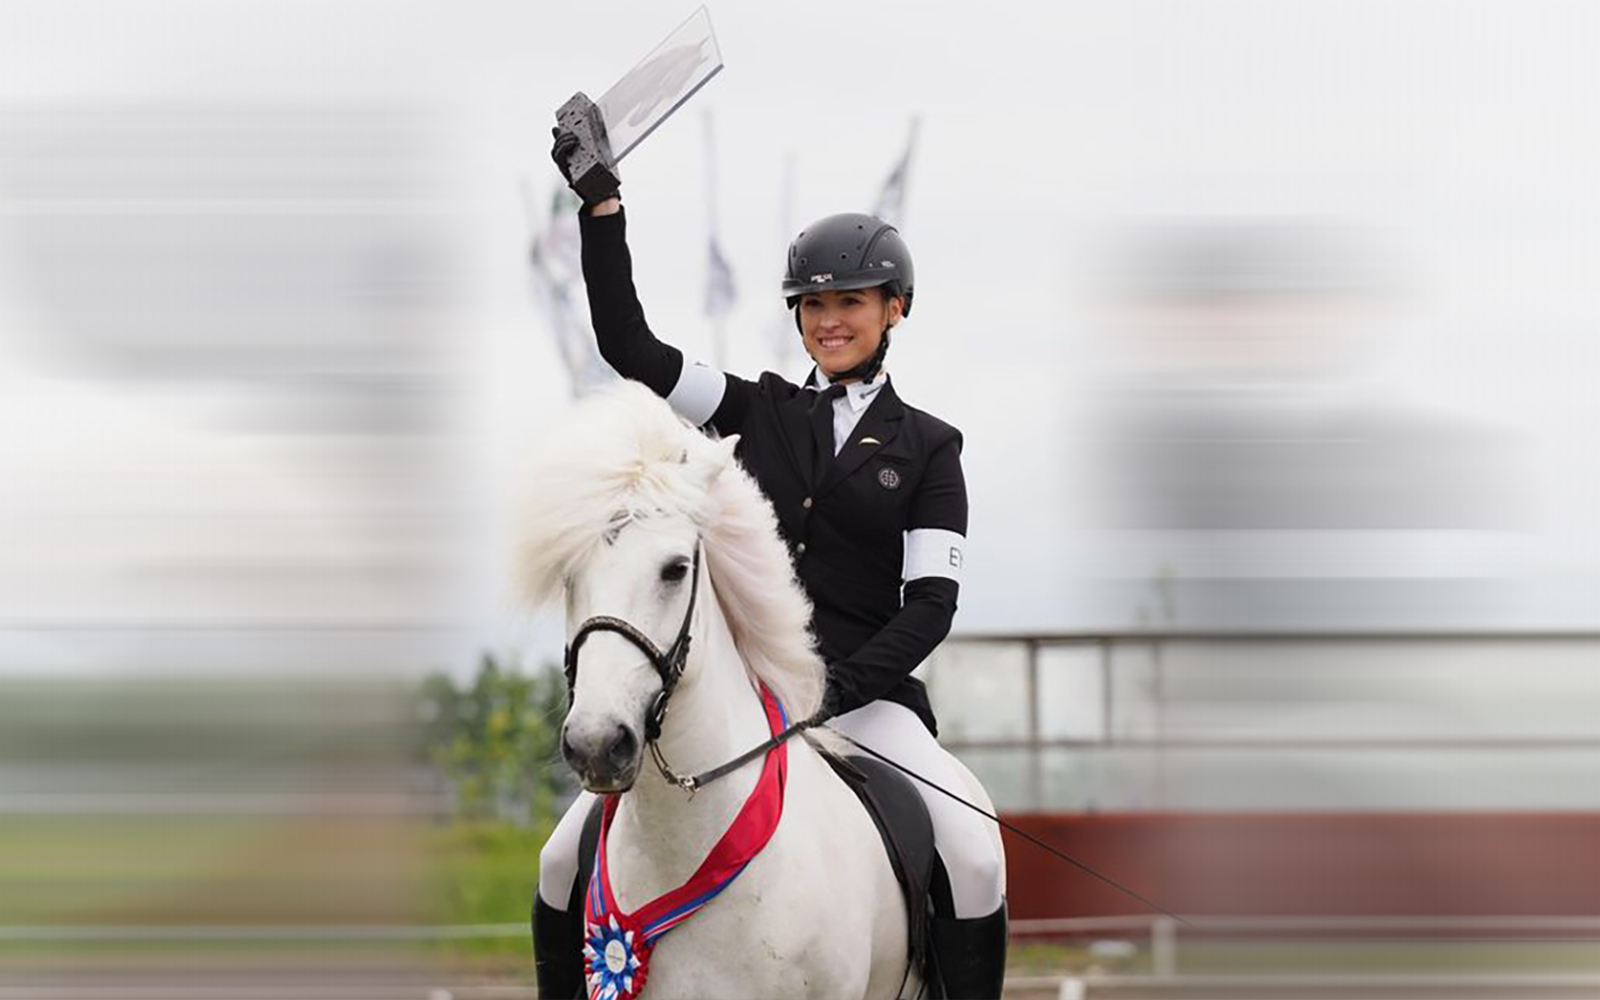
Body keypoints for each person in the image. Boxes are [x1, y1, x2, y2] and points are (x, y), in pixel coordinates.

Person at [535, 127, 1007, 999]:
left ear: (894, 308)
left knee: (974, 853)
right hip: (739, 704)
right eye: (813, 306)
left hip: (865, 710)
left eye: (852, 303)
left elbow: (931, 603)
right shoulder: (757, 410)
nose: (829, 322)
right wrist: (602, 209)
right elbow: (629, 347)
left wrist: (841, 688)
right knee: (561, 859)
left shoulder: (932, 448)